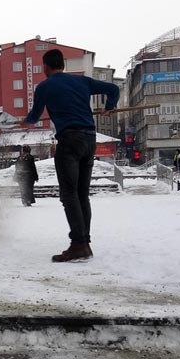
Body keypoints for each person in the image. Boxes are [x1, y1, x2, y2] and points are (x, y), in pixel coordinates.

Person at [25, 48, 119, 262]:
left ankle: (79, 244)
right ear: (63, 66)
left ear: (45, 67)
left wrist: (26, 122)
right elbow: (113, 89)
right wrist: (109, 107)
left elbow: (35, 114)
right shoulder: (82, 82)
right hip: (89, 140)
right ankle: (84, 242)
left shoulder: (45, 86)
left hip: (70, 141)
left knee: (69, 195)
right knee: (81, 194)